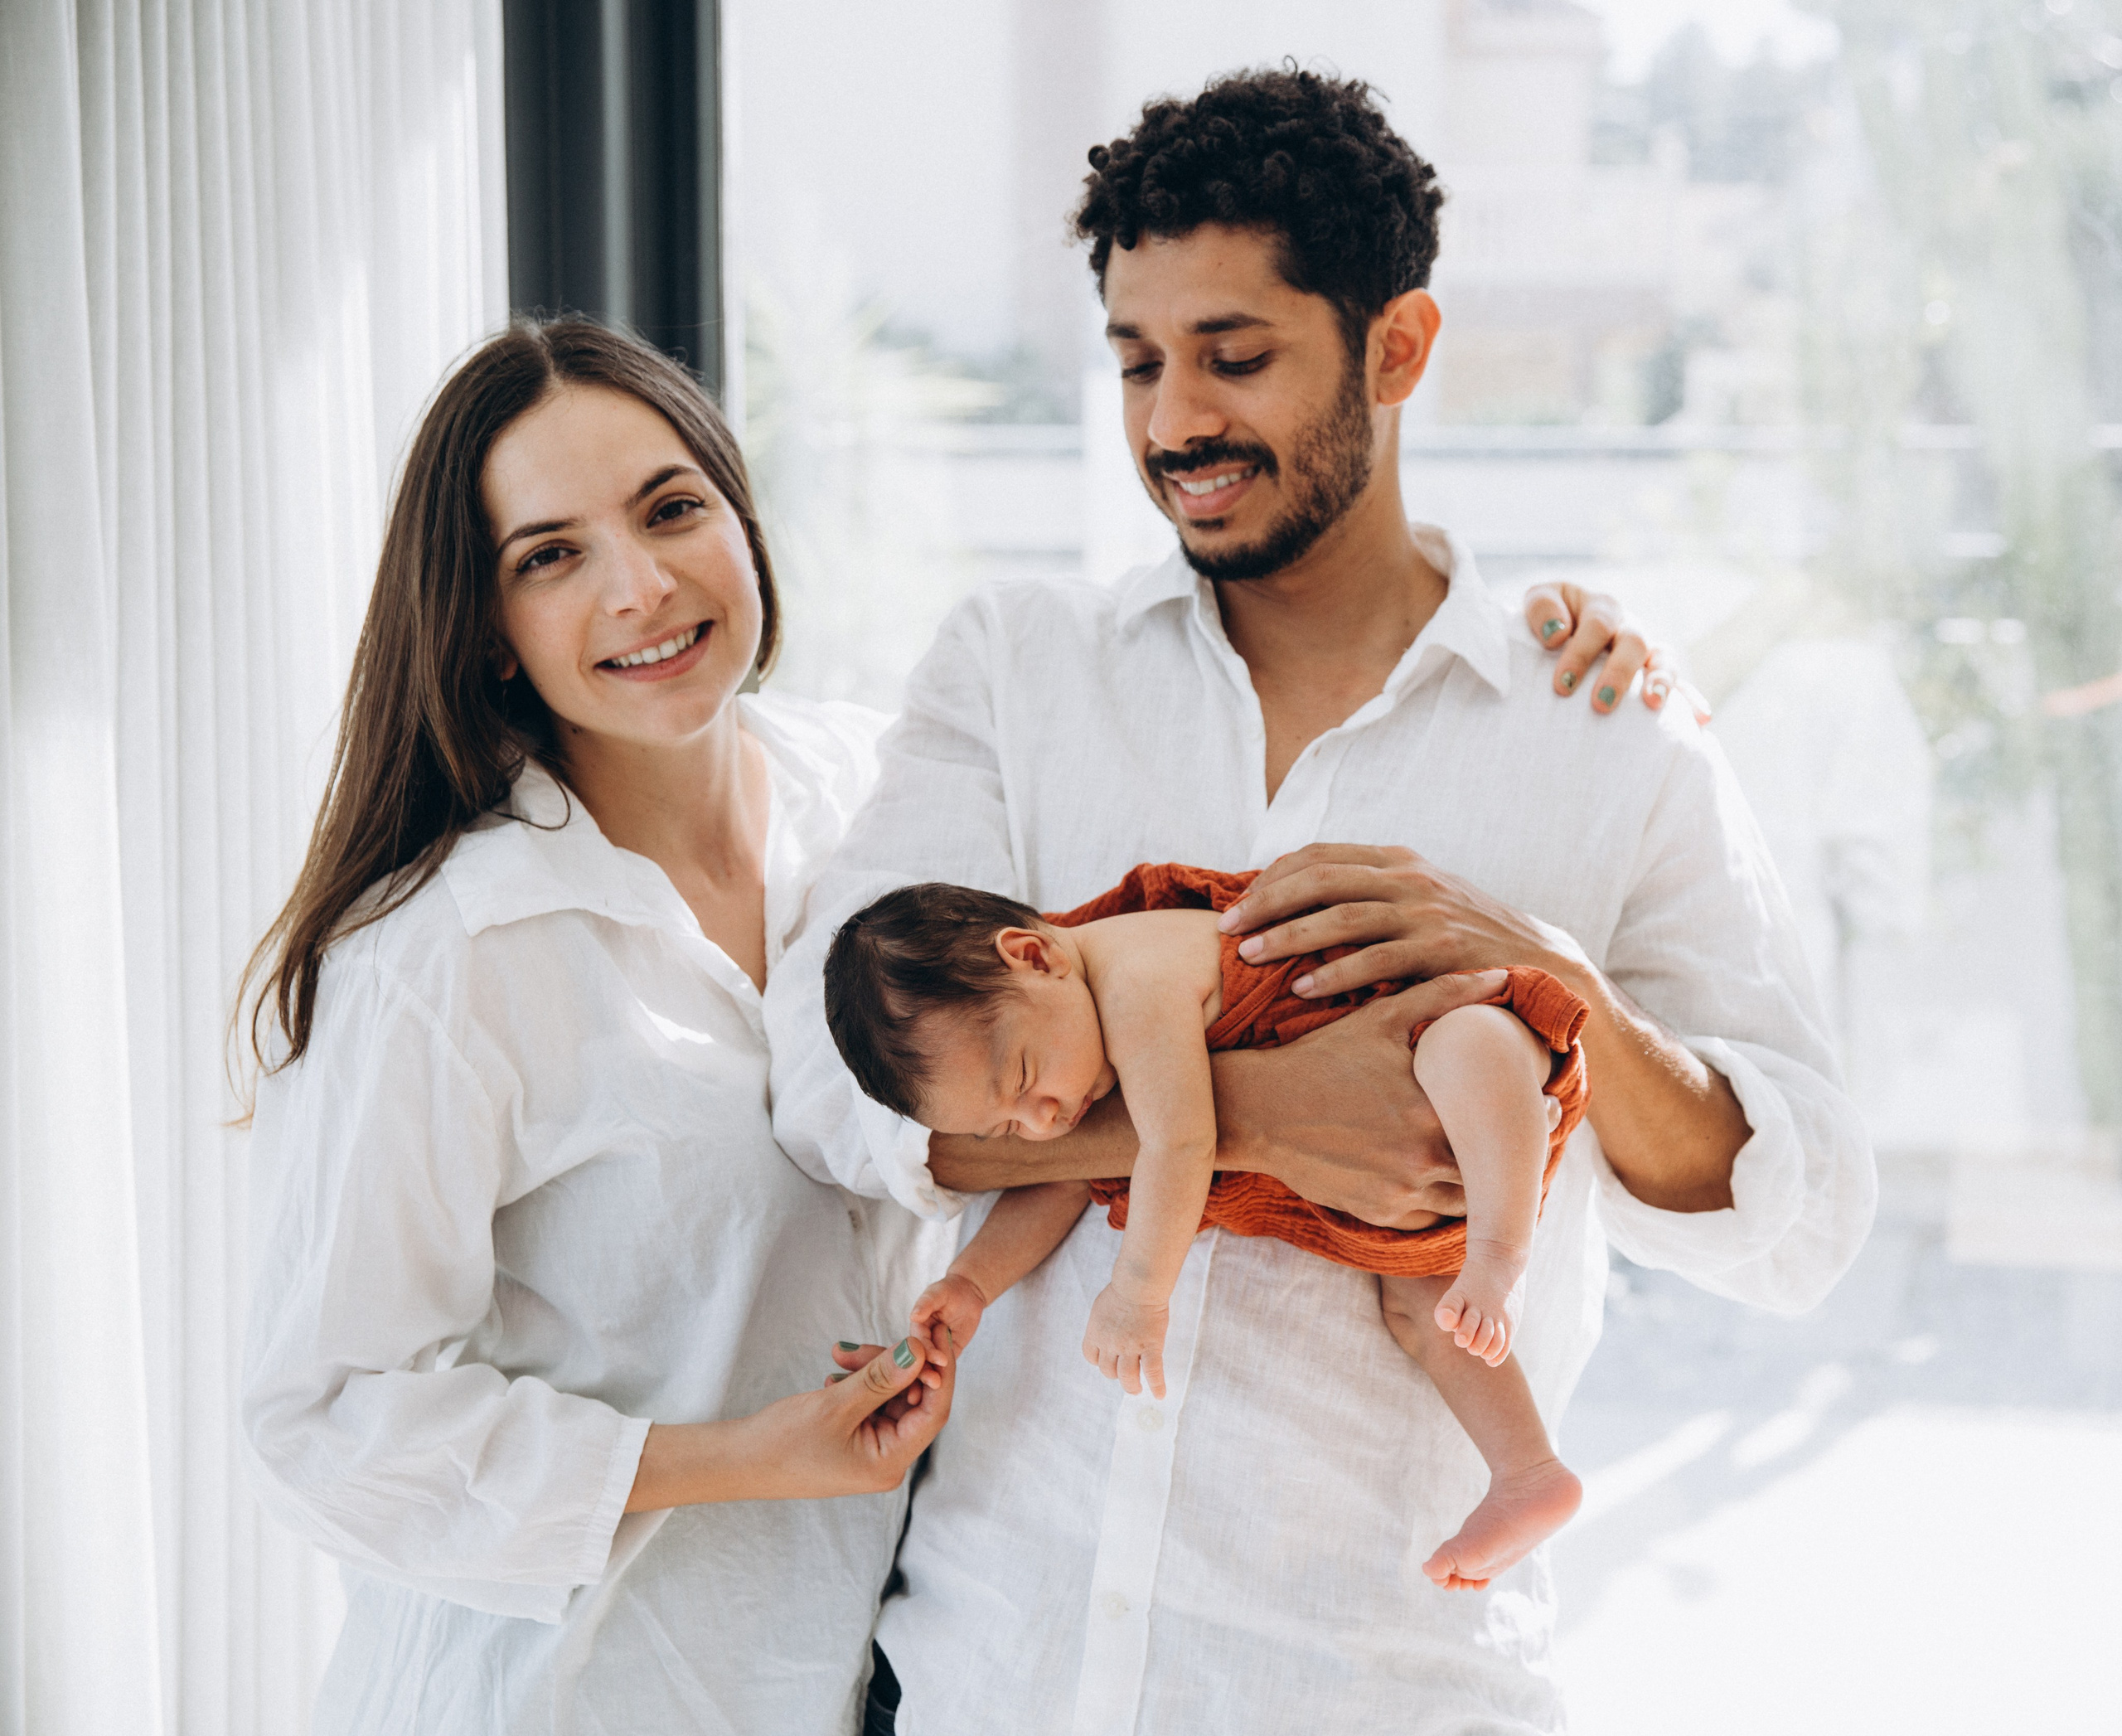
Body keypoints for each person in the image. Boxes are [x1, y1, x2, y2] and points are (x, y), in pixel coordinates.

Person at [763, 68, 1874, 1734]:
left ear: (1397, 349)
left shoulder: (1600, 730)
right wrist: (1262, 1112)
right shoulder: (1014, 673)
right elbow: (823, 1079)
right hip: (1003, 1670)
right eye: (1136, 363)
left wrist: (1553, 982)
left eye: (1234, 356)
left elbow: (1802, 1215)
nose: (1168, 425)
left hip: (1383, 1690)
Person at [236, 318, 958, 1734]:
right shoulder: (446, 949)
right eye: (550, 555)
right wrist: (739, 1454)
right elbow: (323, 1420)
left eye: (671, 507)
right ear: (488, 629)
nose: (641, 585)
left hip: (884, 1679)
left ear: (743, 522)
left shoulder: (890, 803)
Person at [821, 867, 1591, 1591]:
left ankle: (1500, 1253)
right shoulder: (1071, 1043)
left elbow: (1180, 1142)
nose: (1042, 1119)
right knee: (1419, 1309)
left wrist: (1139, 1293)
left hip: (1446, 1035)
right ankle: (1527, 1471)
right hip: (1416, 1170)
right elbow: (1061, 1178)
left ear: (1035, 955)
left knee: (1469, 1044)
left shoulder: (1135, 978)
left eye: (1021, 1080)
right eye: (1006, 1127)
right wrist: (972, 1283)